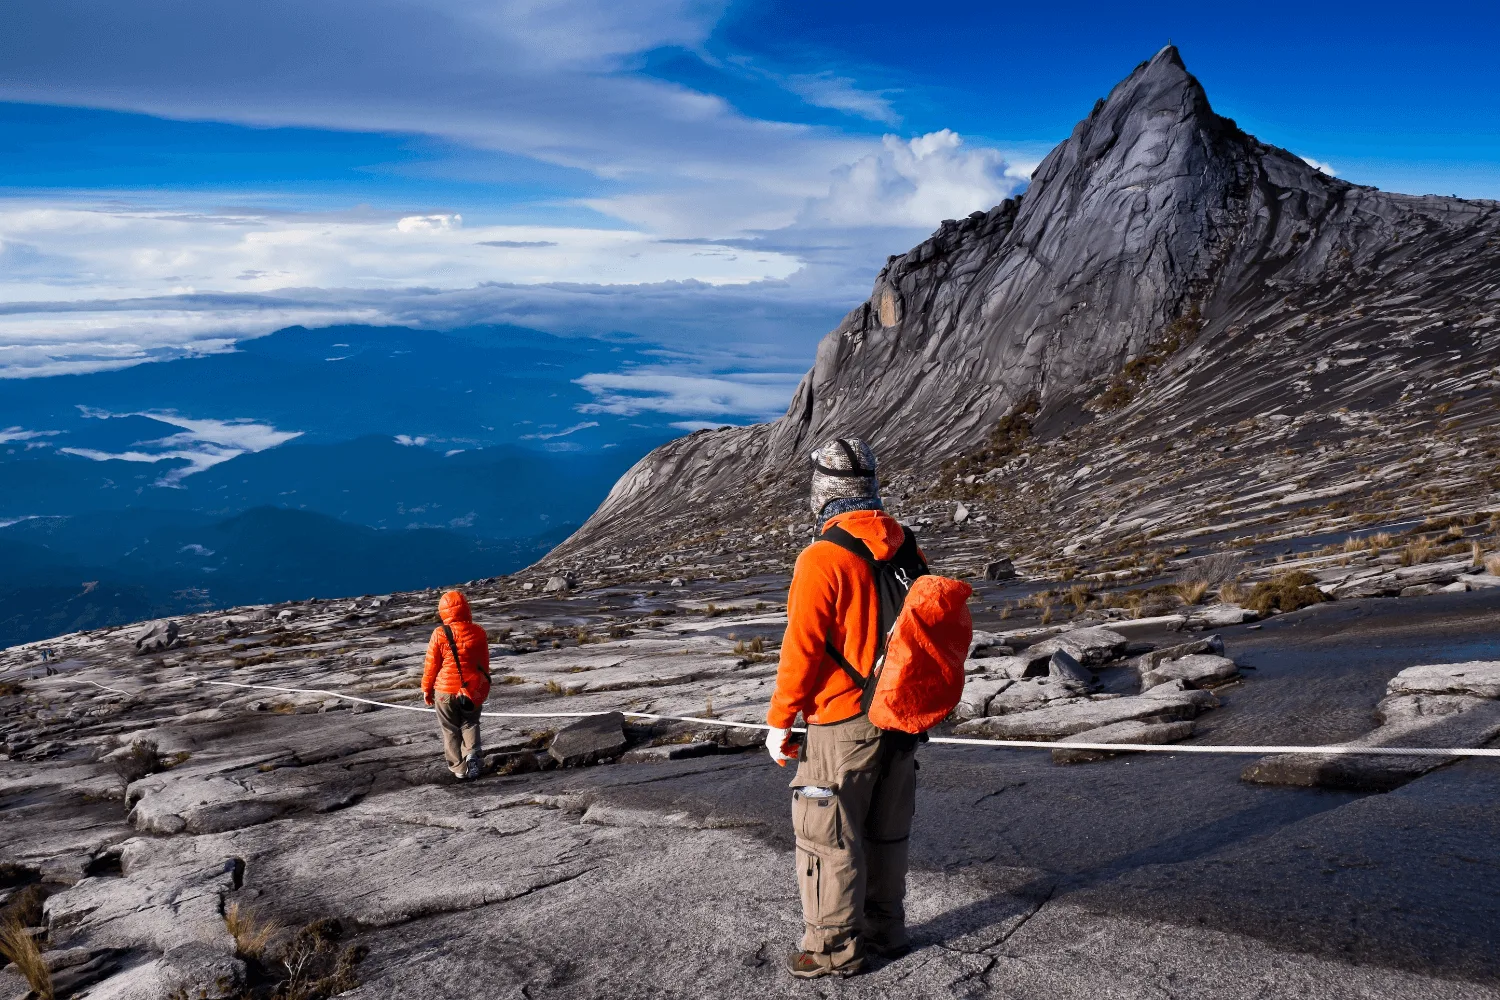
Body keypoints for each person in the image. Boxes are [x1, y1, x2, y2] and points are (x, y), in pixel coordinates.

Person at [766, 437, 924, 979]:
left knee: (826, 836)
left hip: (842, 722)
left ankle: (831, 949)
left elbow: (802, 648)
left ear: (821, 491)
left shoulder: (822, 557)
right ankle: (887, 931)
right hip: (900, 718)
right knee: (886, 830)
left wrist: (780, 720)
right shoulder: (908, 551)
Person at [421, 590, 491, 780]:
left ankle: (459, 769)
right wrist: (481, 688)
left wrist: (427, 690)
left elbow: (431, 665)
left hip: (444, 690)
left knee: (450, 728)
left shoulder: (439, 633)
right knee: (470, 722)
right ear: (466, 608)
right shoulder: (478, 632)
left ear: (443, 611)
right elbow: (483, 665)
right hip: (470, 688)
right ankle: (472, 756)